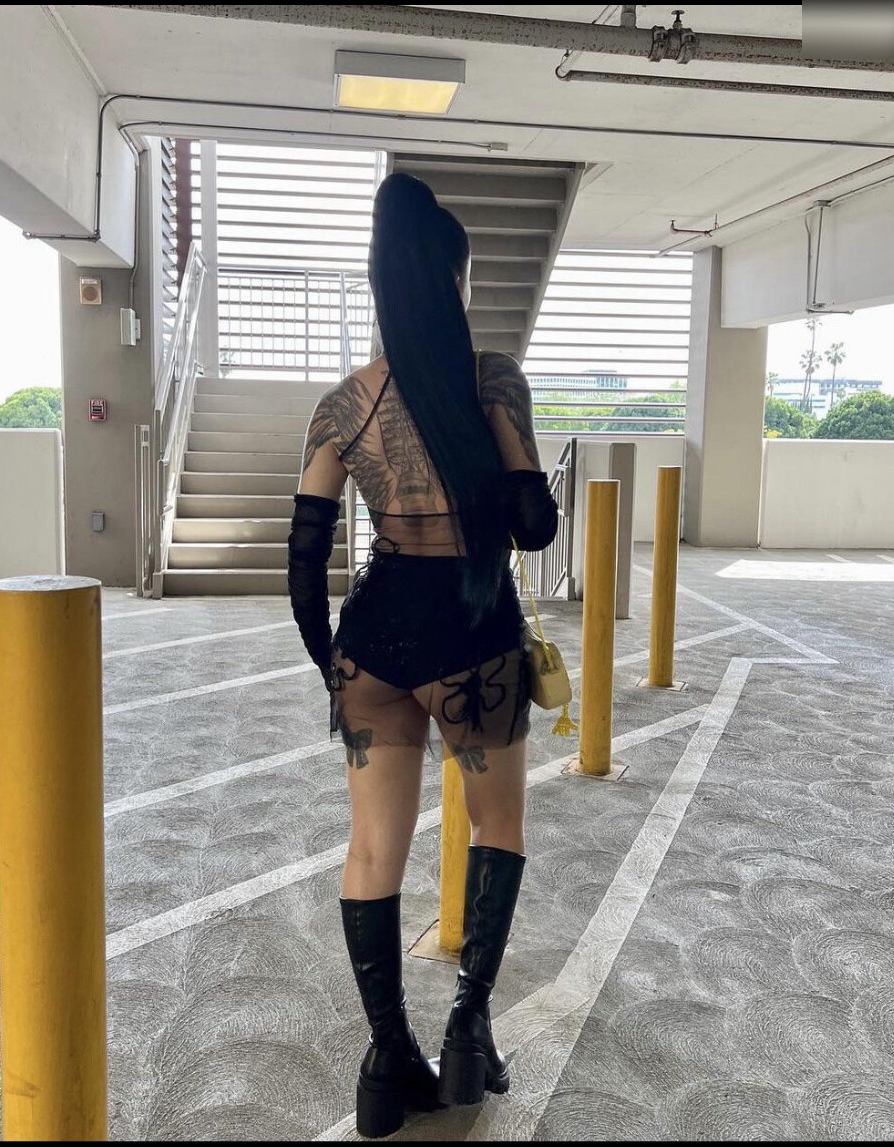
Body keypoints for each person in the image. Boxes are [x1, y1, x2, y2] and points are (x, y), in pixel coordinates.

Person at [286, 172, 558, 1139]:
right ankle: (468, 1028)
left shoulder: (341, 407)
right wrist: (506, 444)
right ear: (453, 280)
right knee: (497, 823)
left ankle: (386, 1057)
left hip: (373, 645)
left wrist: (332, 664)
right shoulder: (491, 380)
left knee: (371, 848)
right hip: (472, 638)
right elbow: (534, 527)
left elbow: (304, 558)